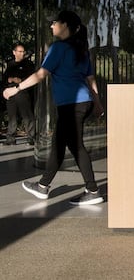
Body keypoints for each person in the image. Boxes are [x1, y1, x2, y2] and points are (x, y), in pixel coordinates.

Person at [4, 11, 104, 205]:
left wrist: (16, 89)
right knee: (60, 145)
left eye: (54, 23)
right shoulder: (81, 49)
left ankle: (92, 190)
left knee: (76, 147)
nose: (51, 26)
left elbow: (41, 75)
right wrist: (98, 103)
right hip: (81, 103)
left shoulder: (59, 48)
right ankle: (43, 186)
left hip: (71, 104)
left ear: (65, 25)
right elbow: (90, 79)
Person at [2, 43, 36, 145]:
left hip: (22, 92)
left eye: (23, 52)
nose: (22, 54)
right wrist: (9, 80)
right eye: (20, 51)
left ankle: (31, 137)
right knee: (12, 116)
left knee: (27, 115)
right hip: (10, 92)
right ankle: (10, 138)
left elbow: (31, 78)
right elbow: (4, 78)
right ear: (14, 52)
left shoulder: (28, 64)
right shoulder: (10, 64)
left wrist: (20, 80)